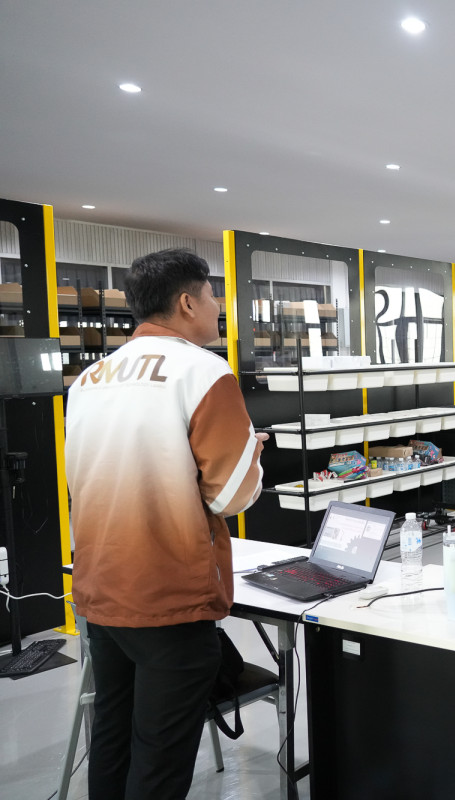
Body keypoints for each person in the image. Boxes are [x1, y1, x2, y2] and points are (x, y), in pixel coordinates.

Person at [65, 248, 268, 799]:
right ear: (187, 302)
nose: (218, 306)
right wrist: (250, 454)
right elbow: (231, 496)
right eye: (212, 296)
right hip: (169, 597)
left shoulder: (89, 378)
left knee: (113, 736)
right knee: (160, 757)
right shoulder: (203, 371)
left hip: (101, 591)